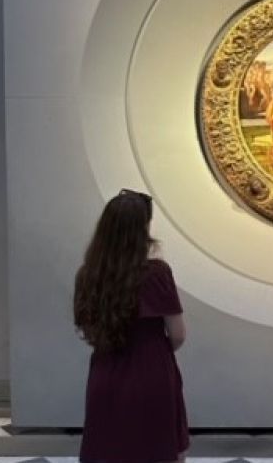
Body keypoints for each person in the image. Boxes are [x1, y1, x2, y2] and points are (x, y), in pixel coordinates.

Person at [74, 189, 189, 463]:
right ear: (143, 231)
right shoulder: (157, 273)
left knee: (108, 449)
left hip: (106, 372)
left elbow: (88, 330)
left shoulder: (88, 274)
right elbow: (178, 334)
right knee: (159, 451)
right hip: (153, 372)